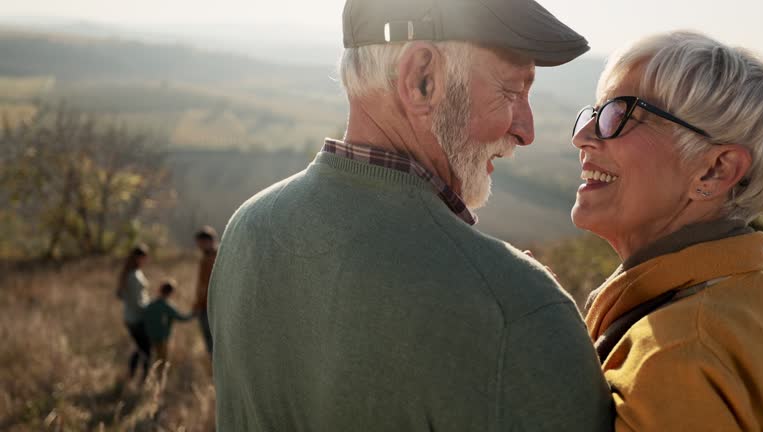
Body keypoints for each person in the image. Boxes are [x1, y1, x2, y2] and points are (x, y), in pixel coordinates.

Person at [208, 0, 613, 430]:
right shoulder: (515, 309)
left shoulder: (246, 232)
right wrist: (516, 306)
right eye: (512, 91)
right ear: (422, 79)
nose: (526, 130)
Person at [571, 31, 763, 430]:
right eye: (594, 113)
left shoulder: (673, 354)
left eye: (620, 113)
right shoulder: (742, 304)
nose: (582, 137)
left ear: (716, 170)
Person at [143, 279, 194, 374]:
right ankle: (158, 380)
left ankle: (148, 377)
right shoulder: (167, 306)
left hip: (149, 336)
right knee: (162, 361)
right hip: (163, 338)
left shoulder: (150, 305)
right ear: (170, 292)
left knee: (150, 358)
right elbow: (182, 318)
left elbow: (144, 318)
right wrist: (194, 313)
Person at [116, 244, 151, 381]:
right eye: (145, 257)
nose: (147, 260)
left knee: (140, 348)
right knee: (146, 350)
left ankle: (131, 375)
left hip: (130, 317)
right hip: (137, 318)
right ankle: (144, 378)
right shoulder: (134, 276)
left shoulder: (131, 273)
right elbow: (138, 302)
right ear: (138, 257)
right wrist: (152, 309)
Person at [193, 226, 217, 357]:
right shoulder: (208, 257)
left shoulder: (211, 259)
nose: (199, 246)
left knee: (213, 345)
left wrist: (197, 305)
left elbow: (204, 287)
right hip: (208, 306)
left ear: (209, 241)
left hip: (209, 307)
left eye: (201, 242)